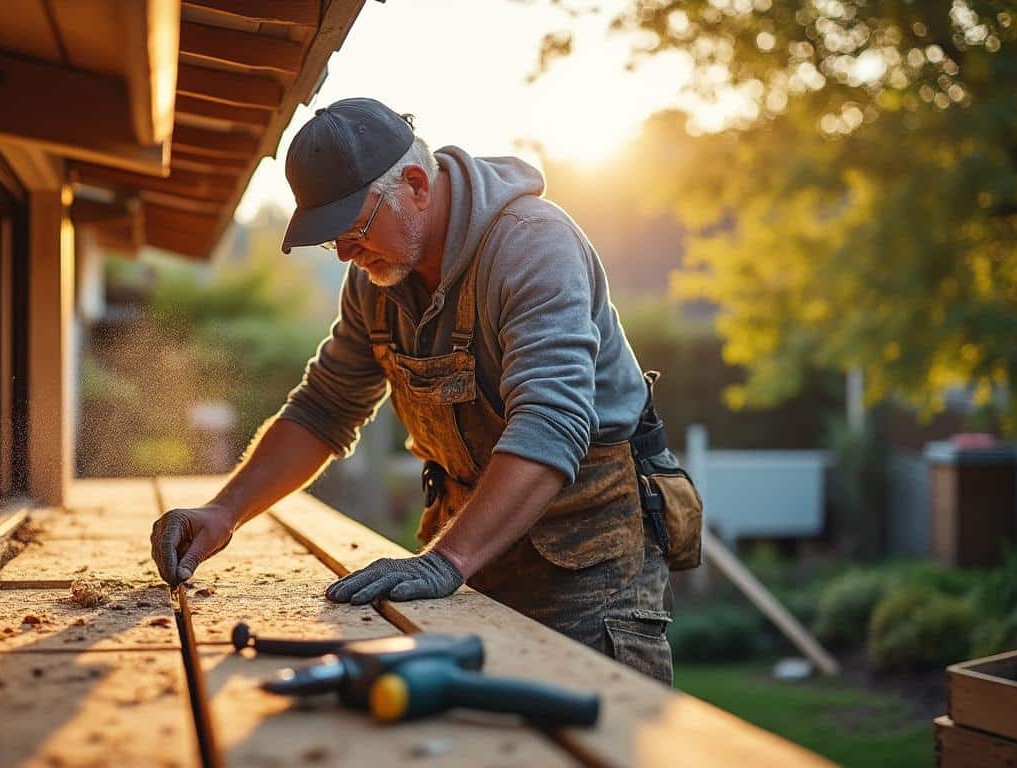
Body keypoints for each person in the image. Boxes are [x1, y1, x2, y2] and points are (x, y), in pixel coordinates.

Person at [150, 97, 677, 683]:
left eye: (352, 230)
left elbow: (552, 422)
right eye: (333, 241)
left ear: (417, 186)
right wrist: (225, 510)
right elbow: (325, 407)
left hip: (585, 564)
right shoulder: (377, 277)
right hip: (471, 547)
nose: (347, 254)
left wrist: (449, 559)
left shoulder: (532, 245)